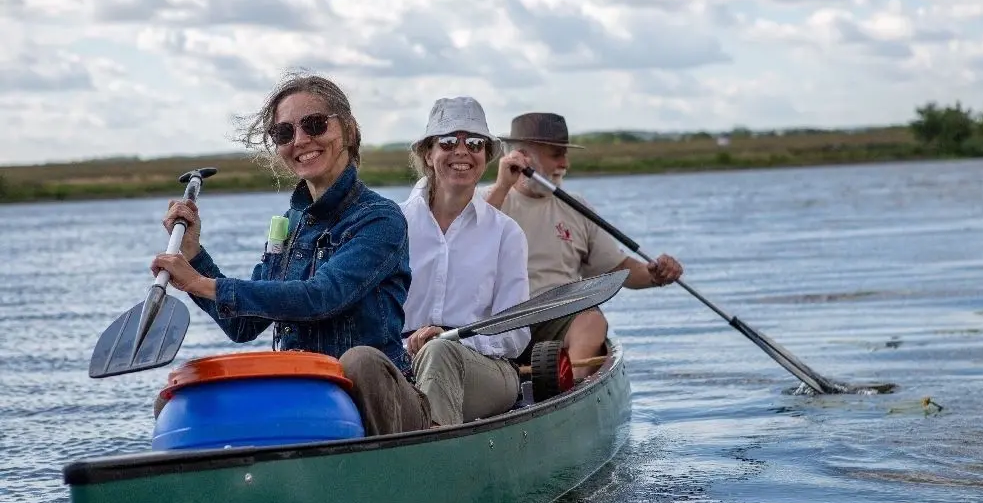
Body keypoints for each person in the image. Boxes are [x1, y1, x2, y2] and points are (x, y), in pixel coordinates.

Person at [151, 73, 431, 435]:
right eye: (284, 133)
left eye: (313, 124)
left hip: (382, 403)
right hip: (308, 395)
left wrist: (202, 283)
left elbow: (321, 296)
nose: (300, 140)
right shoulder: (288, 225)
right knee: (180, 399)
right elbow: (242, 325)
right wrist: (193, 256)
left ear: (347, 130)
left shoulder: (381, 219)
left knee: (359, 362)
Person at [355, 96, 531, 426]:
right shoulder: (392, 225)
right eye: (448, 142)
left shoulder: (507, 233)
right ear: (428, 153)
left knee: (439, 354)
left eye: (475, 143)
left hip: (486, 369)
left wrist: (452, 340)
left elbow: (516, 334)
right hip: (403, 357)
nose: (462, 151)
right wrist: (408, 345)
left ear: (486, 156)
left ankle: (433, 464)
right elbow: (369, 320)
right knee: (360, 360)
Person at [484, 112, 684, 381]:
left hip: (560, 318)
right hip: (498, 321)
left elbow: (619, 268)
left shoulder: (576, 206)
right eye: (556, 154)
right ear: (522, 156)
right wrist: (502, 186)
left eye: (565, 154)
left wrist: (655, 274)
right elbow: (472, 243)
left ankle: (569, 388)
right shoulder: (486, 200)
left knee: (592, 321)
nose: (565, 164)